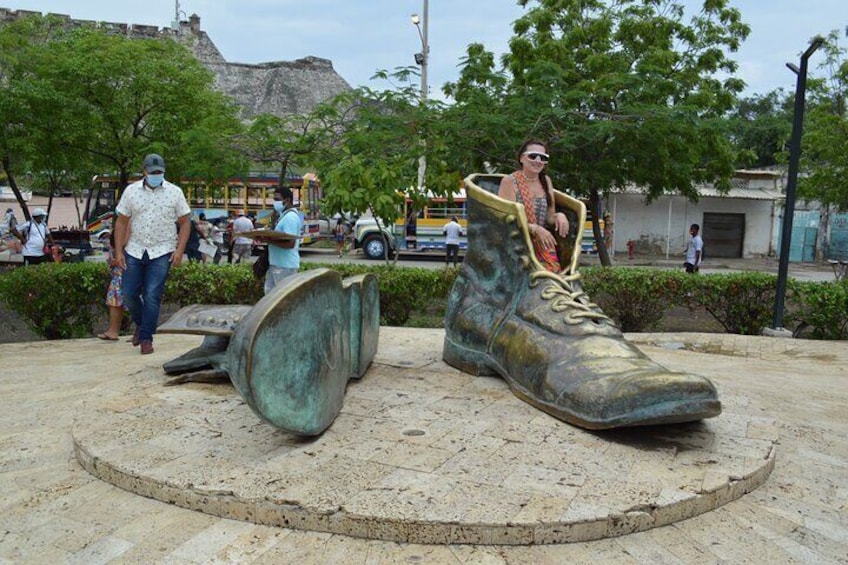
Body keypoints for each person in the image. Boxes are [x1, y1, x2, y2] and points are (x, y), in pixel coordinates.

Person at [113, 153, 190, 355]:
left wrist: (179, 251)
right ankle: (141, 324)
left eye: (160, 172)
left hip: (162, 250)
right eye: (153, 172)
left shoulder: (175, 192)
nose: (156, 175)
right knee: (129, 294)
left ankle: (146, 338)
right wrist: (118, 251)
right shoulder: (131, 191)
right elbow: (121, 222)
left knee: (151, 295)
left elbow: (185, 223)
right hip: (135, 249)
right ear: (144, 171)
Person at [498, 139, 569, 272]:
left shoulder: (546, 181)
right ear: (521, 158)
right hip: (516, 244)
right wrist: (534, 228)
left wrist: (560, 216)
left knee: (555, 281)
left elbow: (549, 218)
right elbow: (506, 219)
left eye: (543, 158)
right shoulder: (509, 182)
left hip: (542, 244)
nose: (538, 160)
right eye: (533, 156)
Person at [254, 186, 301, 295]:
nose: (275, 203)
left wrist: (268, 240)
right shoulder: (283, 217)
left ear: (287, 200)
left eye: (277, 200)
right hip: (277, 264)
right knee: (270, 298)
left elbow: (290, 243)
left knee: (281, 300)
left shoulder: (290, 218)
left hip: (284, 266)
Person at [98, 231, 125, 341]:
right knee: (114, 304)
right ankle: (113, 331)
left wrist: (113, 262)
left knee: (135, 305)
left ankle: (140, 332)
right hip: (117, 278)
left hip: (125, 277)